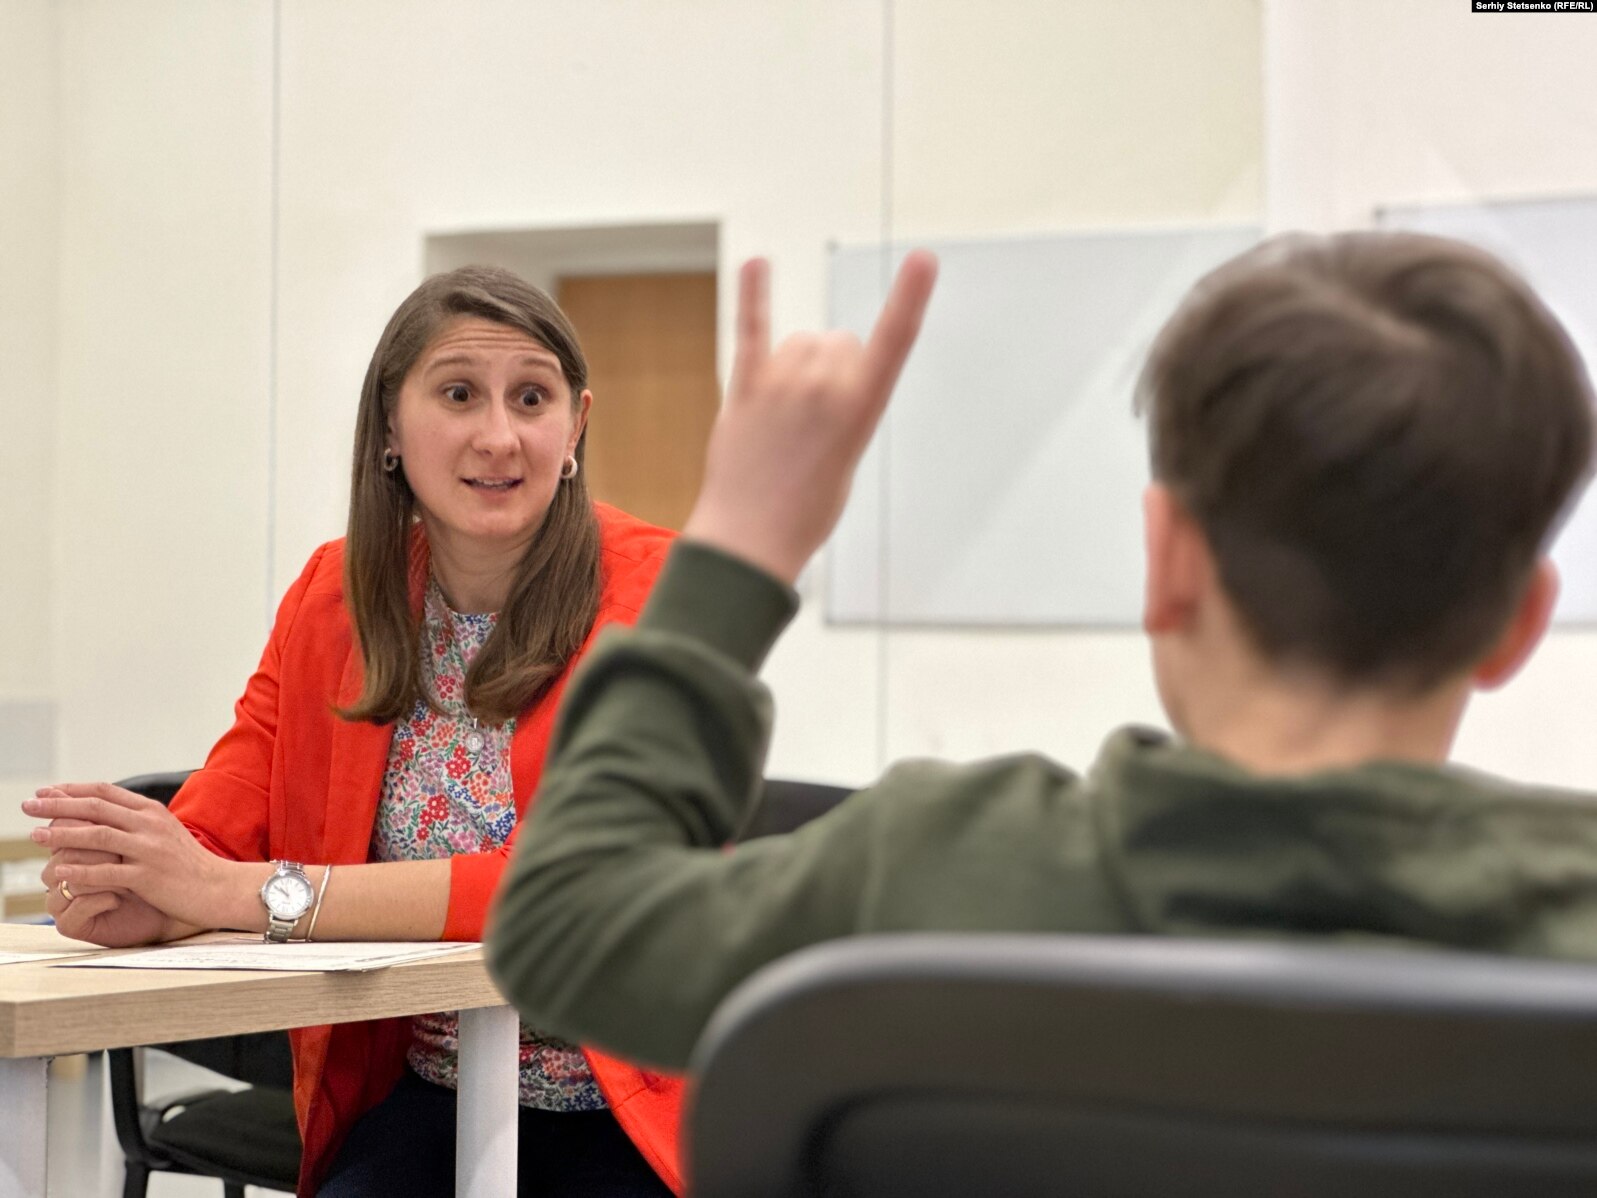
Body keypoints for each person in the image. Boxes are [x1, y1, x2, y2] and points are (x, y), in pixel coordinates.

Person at [483, 231, 1597, 1074]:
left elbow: (564, 926)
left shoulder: (931, 871)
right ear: (1517, 621)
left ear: (1167, 564)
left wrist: (741, 542)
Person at [24, 266, 684, 1197]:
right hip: (430, 1090)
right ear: (388, 425)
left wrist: (231, 891)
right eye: (458, 394)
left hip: (632, 1105)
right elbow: (221, 825)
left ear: (572, 427)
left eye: (530, 398)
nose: (498, 435)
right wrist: (139, 890)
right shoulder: (334, 597)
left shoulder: (661, 598)